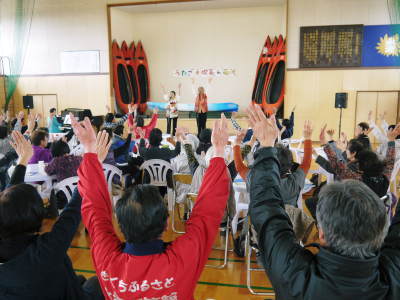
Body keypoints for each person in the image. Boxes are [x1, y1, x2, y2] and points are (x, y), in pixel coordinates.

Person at [246, 103, 400, 300]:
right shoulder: (392, 278)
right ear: (380, 231)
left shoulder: (294, 275)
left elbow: (267, 210)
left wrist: (267, 146)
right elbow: (267, 210)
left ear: (322, 232)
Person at [73, 113, 230, 300]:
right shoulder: (182, 259)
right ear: (165, 224)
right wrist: (218, 153)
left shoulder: (107, 259)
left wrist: (90, 153)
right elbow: (207, 213)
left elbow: (94, 210)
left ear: (120, 225)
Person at [0, 130, 103, 300]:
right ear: (37, 217)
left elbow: (9, 204)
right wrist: (93, 161)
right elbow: (74, 208)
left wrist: (23, 160)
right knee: (98, 283)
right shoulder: (46, 251)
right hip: (70, 293)